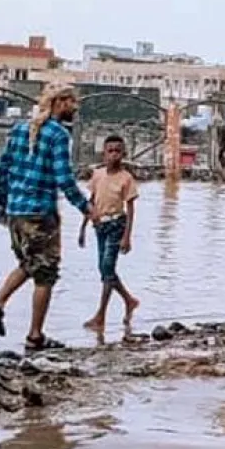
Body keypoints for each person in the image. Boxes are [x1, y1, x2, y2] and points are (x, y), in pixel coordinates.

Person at [0, 83, 96, 351]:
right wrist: (86, 208)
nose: (75, 107)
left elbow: (1, 169)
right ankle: (34, 335)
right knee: (46, 274)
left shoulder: (20, 129)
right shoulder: (58, 134)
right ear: (59, 102)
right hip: (40, 213)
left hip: (15, 211)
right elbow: (64, 179)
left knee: (29, 263)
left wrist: (3, 203)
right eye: (72, 102)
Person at [78, 135, 141, 334]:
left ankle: (101, 314)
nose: (113, 155)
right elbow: (92, 201)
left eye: (117, 151)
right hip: (100, 225)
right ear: (104, 153)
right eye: (110, 150)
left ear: (123, 154)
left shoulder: (126, 178)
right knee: (104, 270)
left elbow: (130, 209)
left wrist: (127, 236)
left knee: (107, 267)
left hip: (116, 224)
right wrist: (82, 227)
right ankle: (129, 300)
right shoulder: (97, 175)